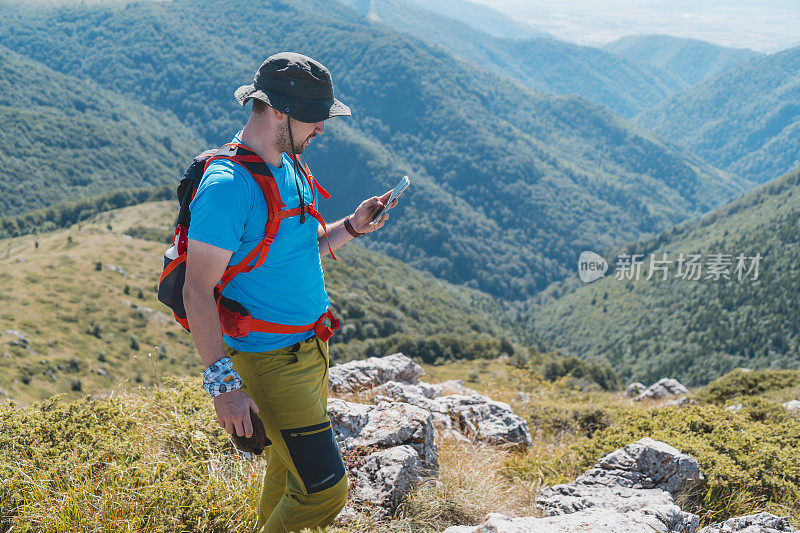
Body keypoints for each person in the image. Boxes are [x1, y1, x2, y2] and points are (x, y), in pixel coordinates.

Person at [183, 52, 395, 533]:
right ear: (277, 110)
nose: (322, 129)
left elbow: (296, 250)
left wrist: (351, 228)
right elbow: (198, 291)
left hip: (312, 351)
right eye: (315, 119)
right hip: (270, 360)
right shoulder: (227, 187)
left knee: (288, 476)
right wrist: (224, 387)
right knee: (323, 489)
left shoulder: (289, 165)